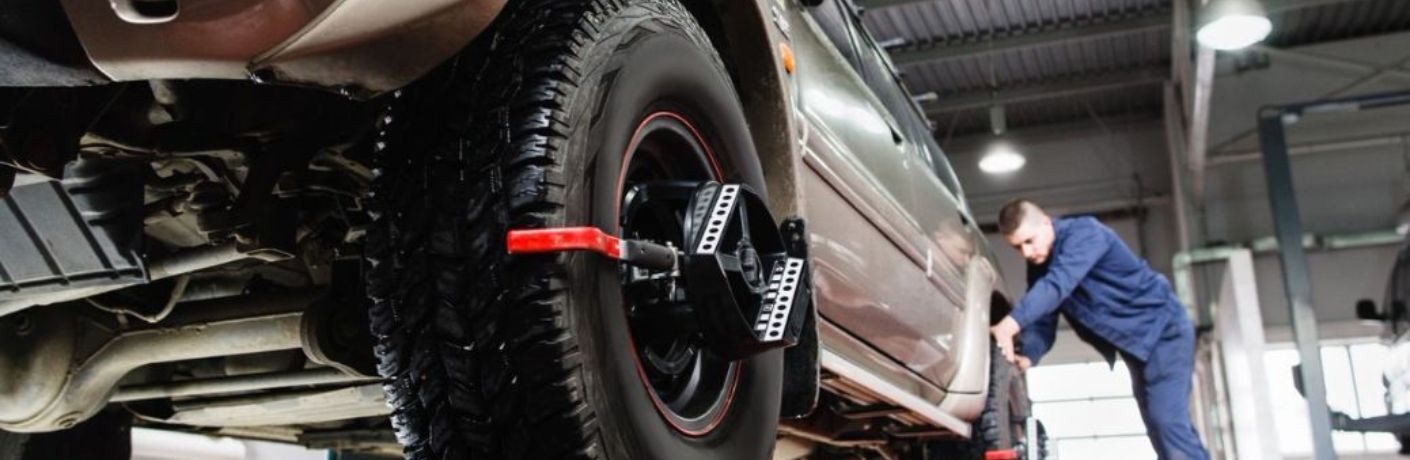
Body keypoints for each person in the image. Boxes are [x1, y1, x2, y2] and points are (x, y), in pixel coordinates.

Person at [989, 199, 1209, 460]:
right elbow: (1044, 317)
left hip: (1164, 334)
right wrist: (1029, 353)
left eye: (1029, 241)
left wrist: (1008, 325)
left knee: (1167, 422)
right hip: (1137, 347)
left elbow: (1058, 285)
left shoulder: (1085, 234)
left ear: (1047, 223)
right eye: (1017, 247)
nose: (1026, 252)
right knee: (1157, 425)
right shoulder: (1040, 263)